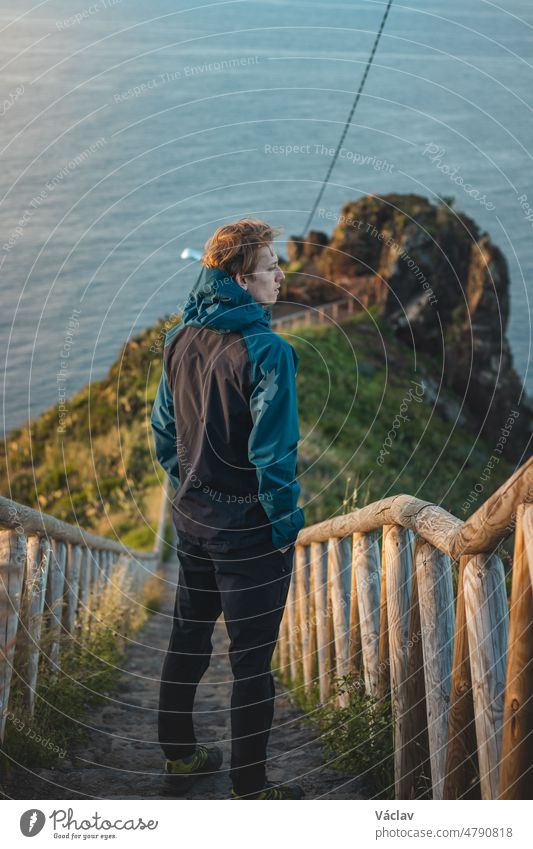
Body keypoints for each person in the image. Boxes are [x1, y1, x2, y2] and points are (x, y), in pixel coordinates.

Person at [151, 219, 306, 799]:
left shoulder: (177, 339)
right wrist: (284, 525)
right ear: (241, 280)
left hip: (192, 522)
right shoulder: (270, 351)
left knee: (187, 640)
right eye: (271, 266)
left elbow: (164, 431)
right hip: (248, 533)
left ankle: (181, 757)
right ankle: (250, 787)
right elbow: (273, 455)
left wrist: (193, 484)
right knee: (251, 664)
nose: (280, 273)